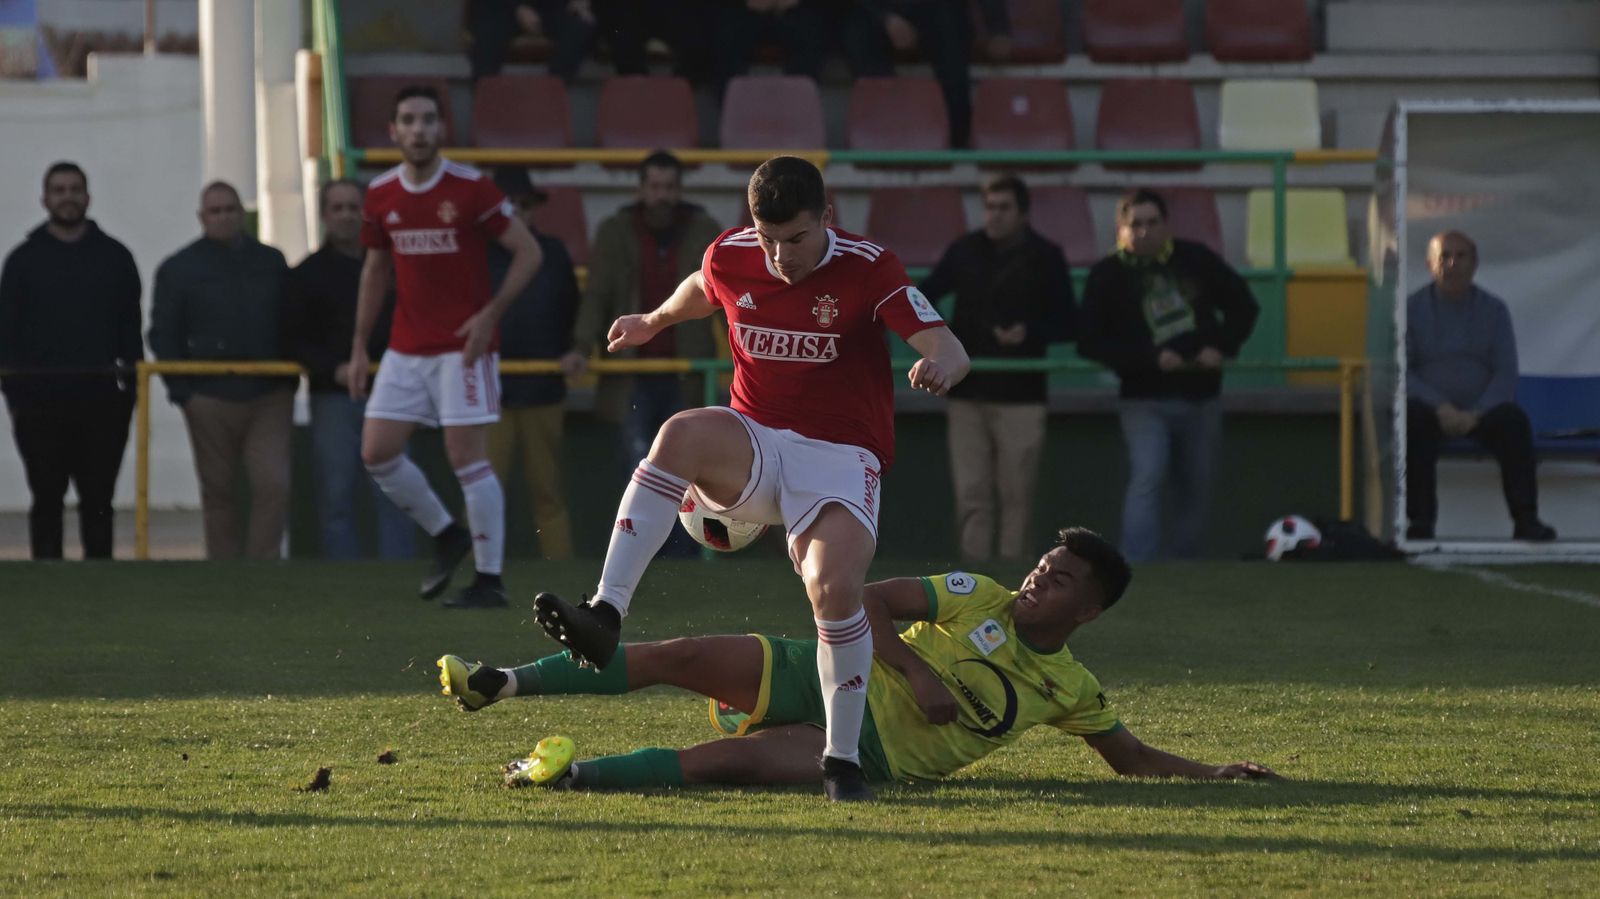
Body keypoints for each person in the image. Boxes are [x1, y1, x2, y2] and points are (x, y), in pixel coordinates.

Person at [531, 155, 971, 802]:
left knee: (833, 587)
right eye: (768, 240)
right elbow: (702, 286)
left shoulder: (867, 264)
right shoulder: (731, 253)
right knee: (680, 432)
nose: (781, 255)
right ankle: (604, 611)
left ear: (826, 218)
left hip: (841, 457)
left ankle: (840, 762)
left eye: (795, 238)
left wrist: (943, 366)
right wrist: (653, 321)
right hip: (757, 440)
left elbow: (946, 343)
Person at [438, 527, 1281, 790]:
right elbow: (867, 598)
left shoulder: (1069, 686)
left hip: (868, 753)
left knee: (723, 763)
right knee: (681, 651)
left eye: (1057, 580)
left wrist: (1215, 773)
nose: (1035, 579)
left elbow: (1128, 756)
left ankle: (561, 775)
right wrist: (914, 670)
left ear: (1087, 611)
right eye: (1040, 566)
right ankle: (497, 682)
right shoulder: (977, 592)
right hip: (830, 669)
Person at [352, 85, 544, 608]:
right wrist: (357, 348)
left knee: (467, 459)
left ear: (442, 129)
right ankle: (446, 533)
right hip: (404, 347)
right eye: (408, 120)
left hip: (462, 349)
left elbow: (528, 252)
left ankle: (490, 579)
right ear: (393, 131)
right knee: (377, 452)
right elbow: (374, 271)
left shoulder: (471, 188)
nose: (418, 130)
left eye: (427, 120)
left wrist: (489, 316)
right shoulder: (381, 194)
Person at [1077, 189, 1259, 563]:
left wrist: (1221, 347)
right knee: (1149, 475)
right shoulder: (1107, 275)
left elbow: (1244, 306)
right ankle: (1135, 566)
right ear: (1121, 229)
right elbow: (1090, 341)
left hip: (1202, 395)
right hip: (1144, 398)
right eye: (1136, 224)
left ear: (1166, 225)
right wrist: (1150, 359)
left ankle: (1183, 565)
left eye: (1152, 223)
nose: (1144, 232)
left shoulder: (1197, 259)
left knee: (1196, 486)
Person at [565, 150, 723, 557]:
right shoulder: (616, 230)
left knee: (688, 474)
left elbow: (728, 300)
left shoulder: (704, 228)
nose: (663, 196)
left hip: (687, 372)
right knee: (639, 470)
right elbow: (596, 296)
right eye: (655, 187)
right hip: (631, 373)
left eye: (670, 187)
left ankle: (681, 557)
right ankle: (639, 554)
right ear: (640, 189)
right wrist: (582, 347)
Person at [918, 173, 1075, 564]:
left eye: (1004, 208)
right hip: (967, 392)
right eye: (990, 207)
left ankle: (1012, 578)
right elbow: (924, 298)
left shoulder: (1046, 256)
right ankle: (972, 578)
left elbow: (1070, 320)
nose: (995, 216)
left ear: (1023, 212)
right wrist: (941, 342)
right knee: (972, 493)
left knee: (1017, 495)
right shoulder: (965, 250)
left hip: (1021, 396)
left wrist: (1029, 333)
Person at [0, 161, 142, 559]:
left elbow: (131, 332)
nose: (68, 197)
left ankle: (101, 582)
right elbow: (6, 337)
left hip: (102, 404)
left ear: (88, 197)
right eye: (59, 190)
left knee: (98, 499)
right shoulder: (22, 262)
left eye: (75, 189)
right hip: (38, 405)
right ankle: (47, 580)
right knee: (46, 497)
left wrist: (128, 396)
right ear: (44, 199)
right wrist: (16, 400)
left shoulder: (116, 258)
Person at [149, 181, 295, 561]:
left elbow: (294, 318)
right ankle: (224, 571)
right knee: (218, 491)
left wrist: (287, 380)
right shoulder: (178, 269)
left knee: (273, 484)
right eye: (215, 211)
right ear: (201, 217)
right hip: (209, 397)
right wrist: (184, 393)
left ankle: (263, 569)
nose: (224, 217)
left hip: (268, 395)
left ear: (241, 213)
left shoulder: (271, 261)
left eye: (230, 209)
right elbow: (163, 333)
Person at [281, 178, 415, 561]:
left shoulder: (393, 270)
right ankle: (342, 577)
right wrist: (333, 370)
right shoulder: (305, 275)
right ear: (324, 215)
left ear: (366, 213)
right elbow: (292, 339)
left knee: (397, 493)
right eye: (336, 208)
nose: (345, 216)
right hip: (332, 398)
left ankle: (401, 574)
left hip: (389, 395)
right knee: (335, 496)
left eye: (353, 207)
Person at [1404, 231, 1555, 542]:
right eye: (1444, 256)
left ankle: (1526, 520)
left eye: (1461, 256)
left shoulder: (1494, 310)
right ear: (1429, 264)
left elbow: (1505, 373)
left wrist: (1477, 412)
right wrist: (1441, 407)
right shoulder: (1410, 310)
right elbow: (1402, 373)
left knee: (1513, 421)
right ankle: (1420, 522)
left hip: (1481, 414)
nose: (1452, 263)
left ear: (1475, 264)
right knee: (1410, 419)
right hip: (1431, 413)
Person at [486, 168, 581, 560]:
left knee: (548, 490)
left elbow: (573, 310)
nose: (519, 212)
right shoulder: (476, 253)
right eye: (511, 205)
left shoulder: (554, 253)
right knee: (483, 489)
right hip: (490, 392)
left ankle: (560, 567)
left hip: (541, 389)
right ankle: (482, 568)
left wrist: (576, 347)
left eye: (525, 205)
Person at [841, 0, 1012, 149]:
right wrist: (885, 17)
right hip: (882, 10)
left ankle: (957, 140)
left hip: (941, 11)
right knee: (858, 32)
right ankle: (881, 133)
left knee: (952, 35)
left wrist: (998, 28)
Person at [464, 0, 595, 83]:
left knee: (580, 26)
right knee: (488, 33)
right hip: (500, 7)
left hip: (550, 6)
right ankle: (485, 107)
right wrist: (518, 7)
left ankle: (552, 95)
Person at [713, 0, 828, 92]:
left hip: (794, 10)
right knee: (727, 35)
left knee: (810, 34)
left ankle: (799, 104)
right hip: (744, 10)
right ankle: (734, 106)